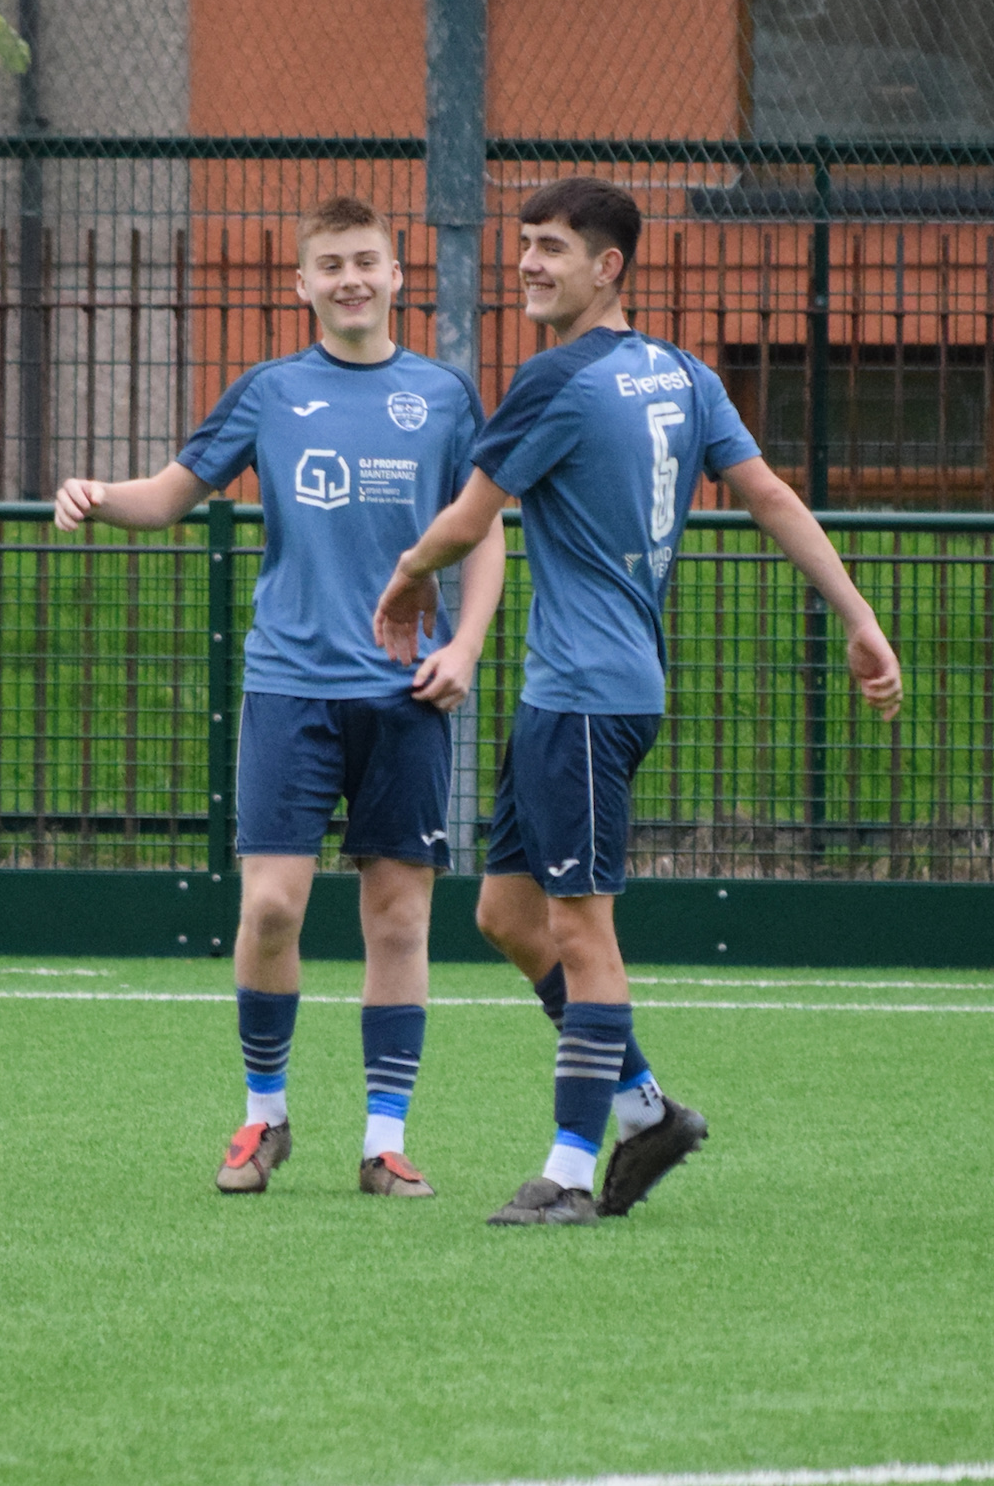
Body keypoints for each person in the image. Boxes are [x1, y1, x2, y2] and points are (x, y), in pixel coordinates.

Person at [373, 177, 904, 1226]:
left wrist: (403, 578)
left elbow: (467, 519)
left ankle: (570, 1171)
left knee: (580, 928)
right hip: (589, 691)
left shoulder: (556, 380)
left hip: (582, 697)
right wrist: (859, 613)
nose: (526, 263)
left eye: (551, 248)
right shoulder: (682, 374)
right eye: (524, 243)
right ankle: (644, 1107)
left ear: (607, 267)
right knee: (508, 914)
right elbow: (768, 495)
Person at [55, 196, 506, 1199]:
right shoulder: (269, 392)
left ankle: (383, 1141)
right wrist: (96, 492)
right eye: (329, 265)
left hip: (407, 696)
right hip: (290, 685)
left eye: (366, 262)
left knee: (397, 919)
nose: (349, 279)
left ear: (397, 278)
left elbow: (483, 533)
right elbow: (173, 492)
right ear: (300, 285)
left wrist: (466, 646)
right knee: (269, 907)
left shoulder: (441, 397)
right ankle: (264, 1118)